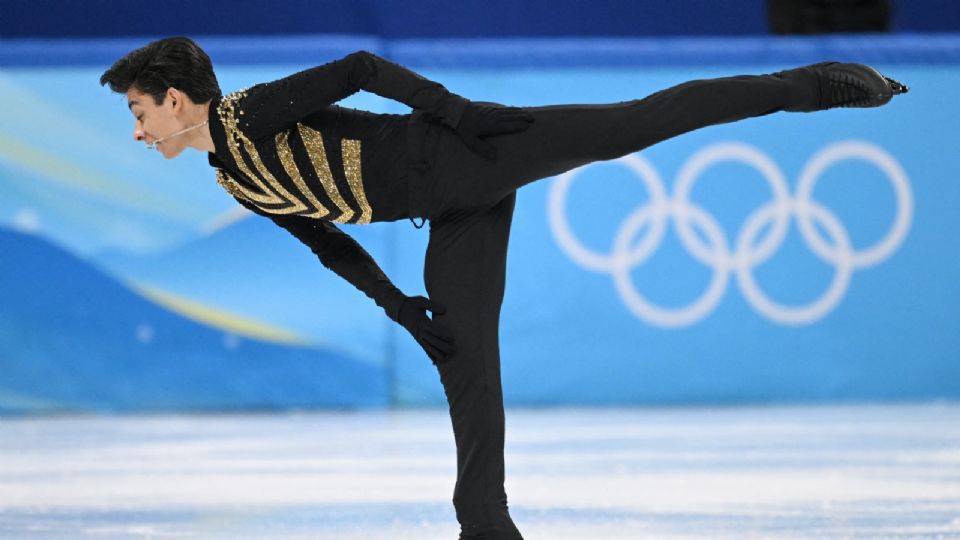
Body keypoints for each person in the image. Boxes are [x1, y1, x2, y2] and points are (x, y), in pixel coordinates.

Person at [99, 36, 907, 540]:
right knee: (464, 359)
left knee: (635, 122)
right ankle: (484, 524)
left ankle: (811, 84)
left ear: (176, 99)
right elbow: (326, 242)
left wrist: (459, 109)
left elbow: (362, 66)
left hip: (469, 152)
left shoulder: (249, 116)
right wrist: (402, 310)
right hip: (450, 215)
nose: (137, 132)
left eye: (138, 112)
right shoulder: (230, 174)